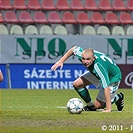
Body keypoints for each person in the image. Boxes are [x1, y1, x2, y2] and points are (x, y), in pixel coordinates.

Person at [51, 46, 124, 112]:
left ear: (94, 58)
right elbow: (73, 49)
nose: (85, 62)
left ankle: (118, 97)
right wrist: (61, 61)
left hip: (112, 77)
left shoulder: (98, 67)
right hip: (97, 73)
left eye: (88, 59)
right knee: (76, 84)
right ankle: (90, 106)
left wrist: (108, 109)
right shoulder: (81, 54)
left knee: (98, 106)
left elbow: (106, 88)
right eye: (83, 59)